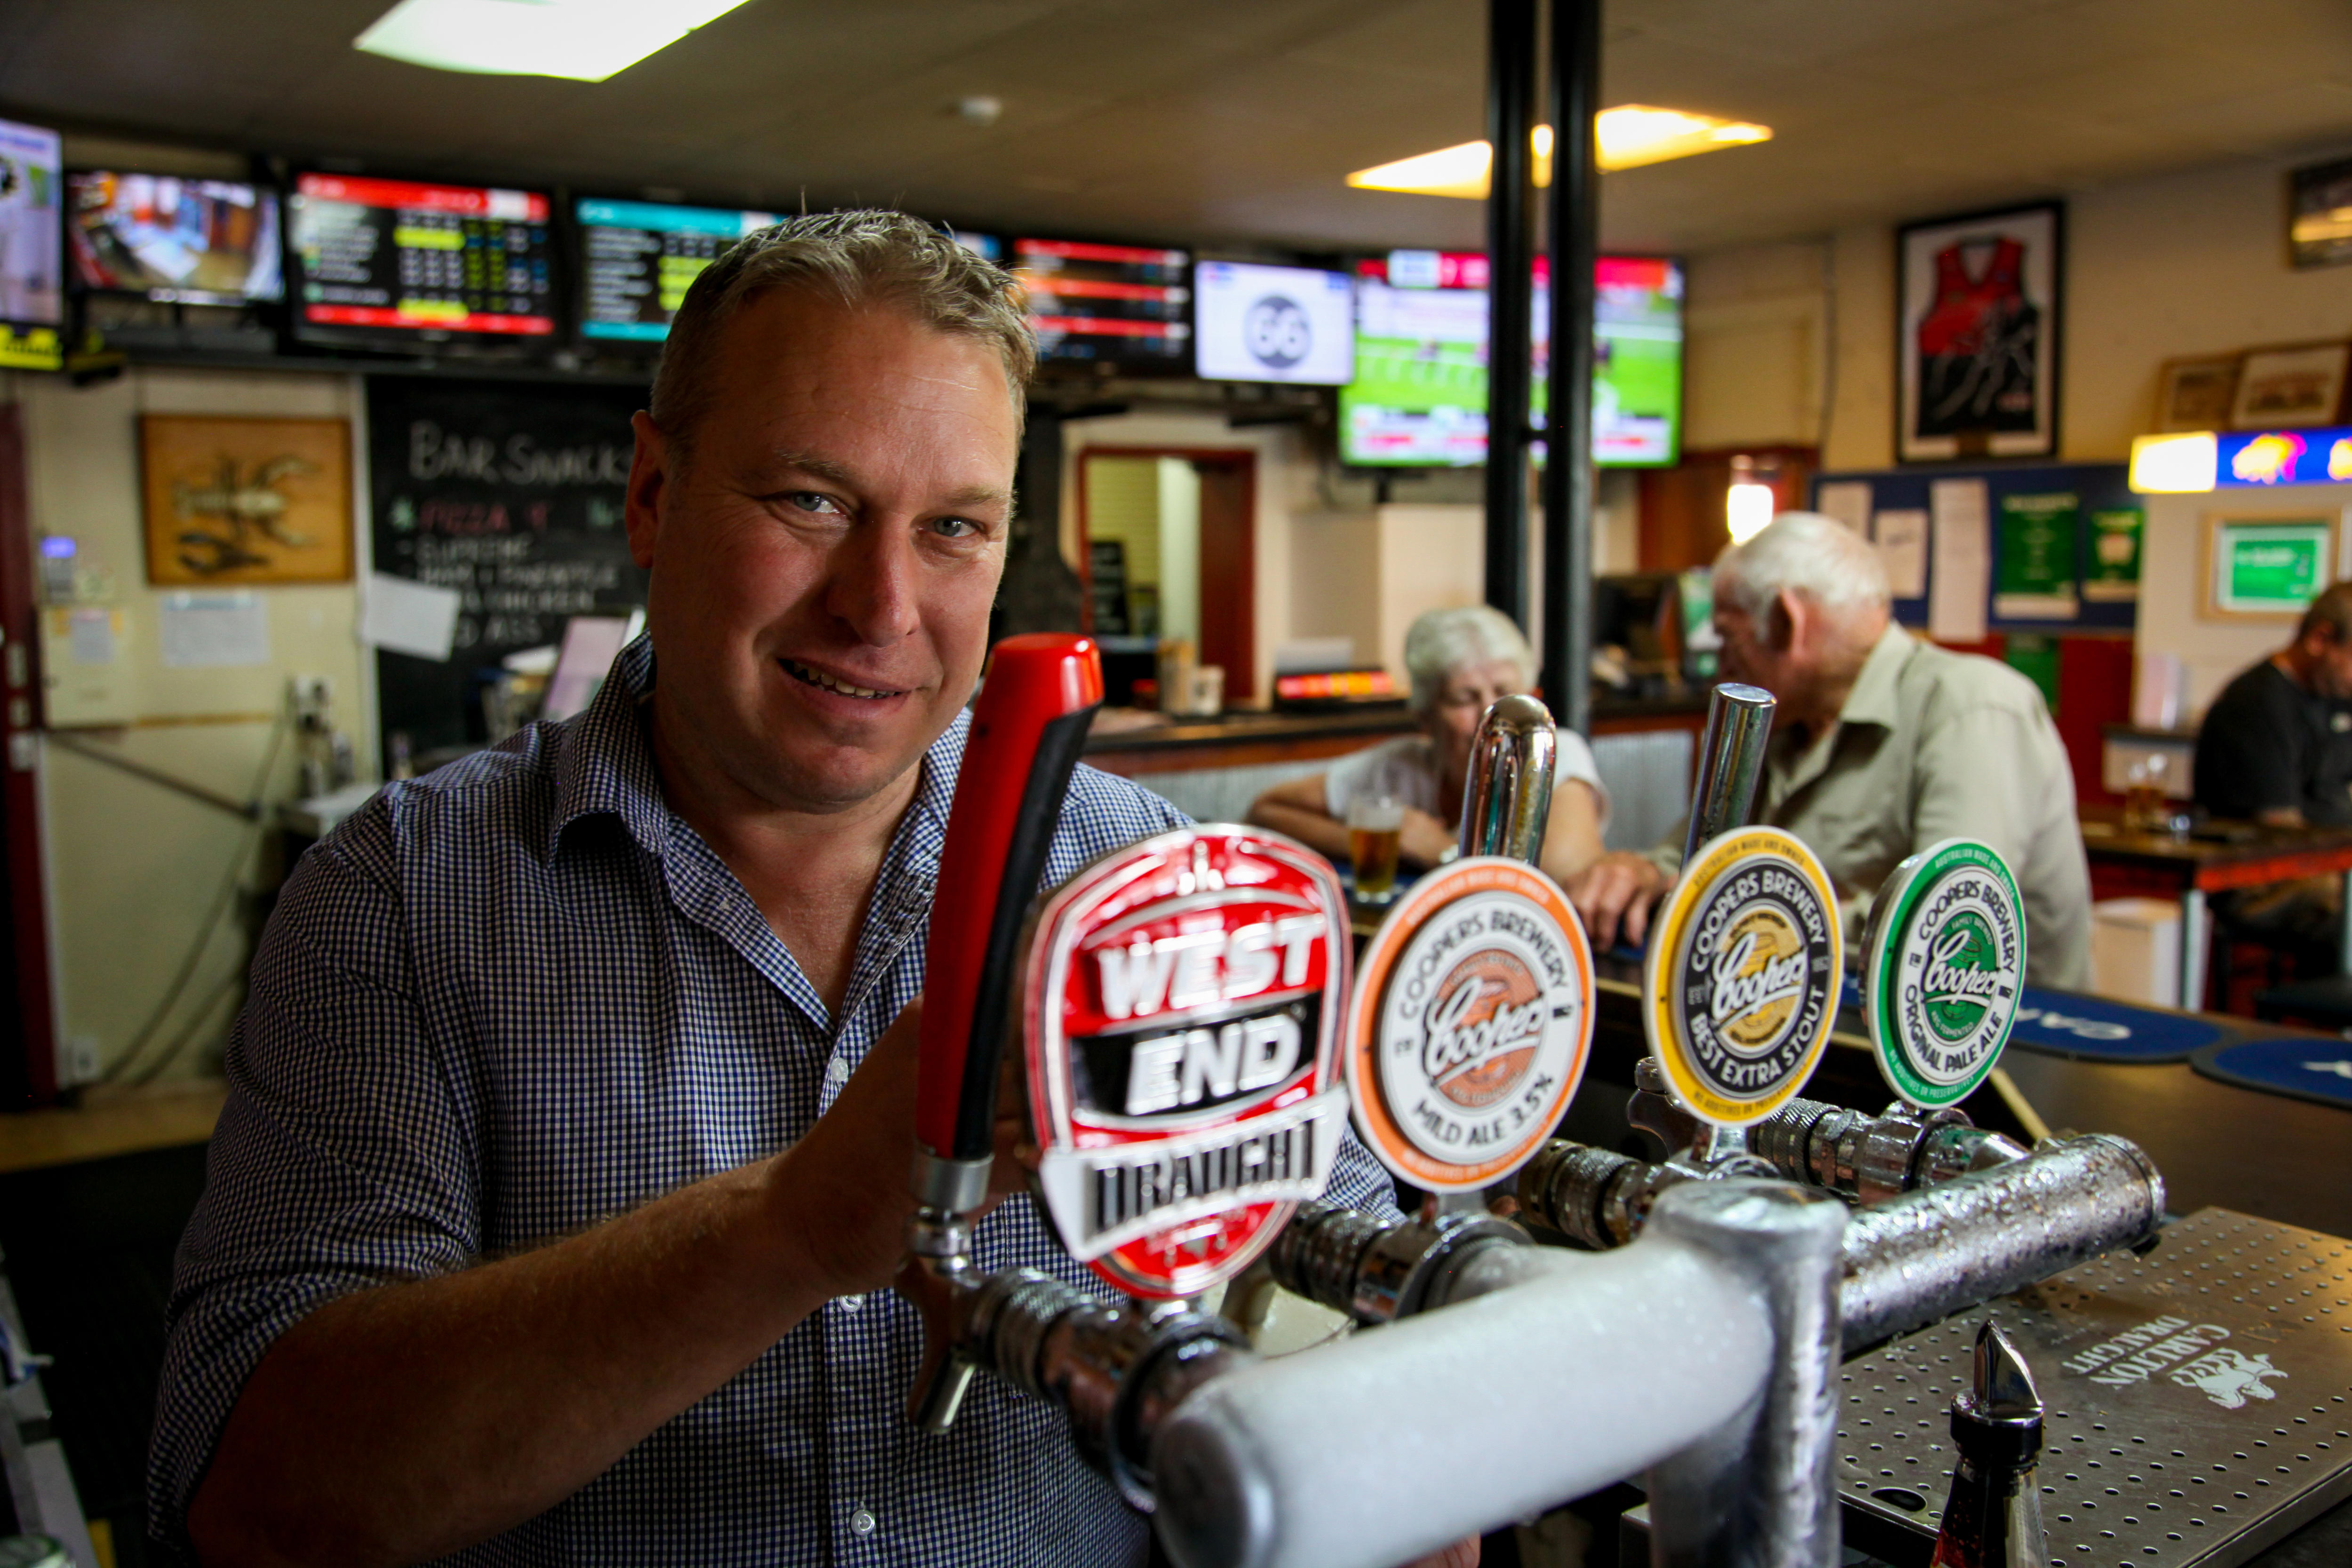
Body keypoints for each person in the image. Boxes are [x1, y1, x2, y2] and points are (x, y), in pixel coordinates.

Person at [150, 212, 1438, 1568]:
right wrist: (792, 1228)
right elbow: (253, 1487)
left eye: (953, 527)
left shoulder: (1153, 884)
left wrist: (1397, 1450)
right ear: (654, 495)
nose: (880, 604)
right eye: (810, 502)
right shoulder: (400, 895)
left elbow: (1355, 1299)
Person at [1568, 511, 2092, 988]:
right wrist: (1640, 874)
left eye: (1728, 637)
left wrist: (1743, 918)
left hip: (1993, 1058)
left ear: (1784, 622)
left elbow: (1942, 923)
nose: (1722, 665)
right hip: (1810, 1028)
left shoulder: (1970, 706)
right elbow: (1692, 862)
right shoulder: (1785, 722)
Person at [1246, 605, 1608, 888]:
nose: (1489, 715)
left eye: (1504, 693)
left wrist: (1443, 853)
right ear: (1425, 716)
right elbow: (1266, 810)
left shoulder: (1553, 752)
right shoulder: (1401, 764)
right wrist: (1386, 840)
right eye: (1463, 698)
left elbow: (1564, 876)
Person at [2188, 581, 2352, 955]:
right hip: (2261, 879)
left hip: (2334, 866)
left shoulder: (2337, 696)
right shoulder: (2255, 706)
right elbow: (2282, 835)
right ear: (2320, 639)